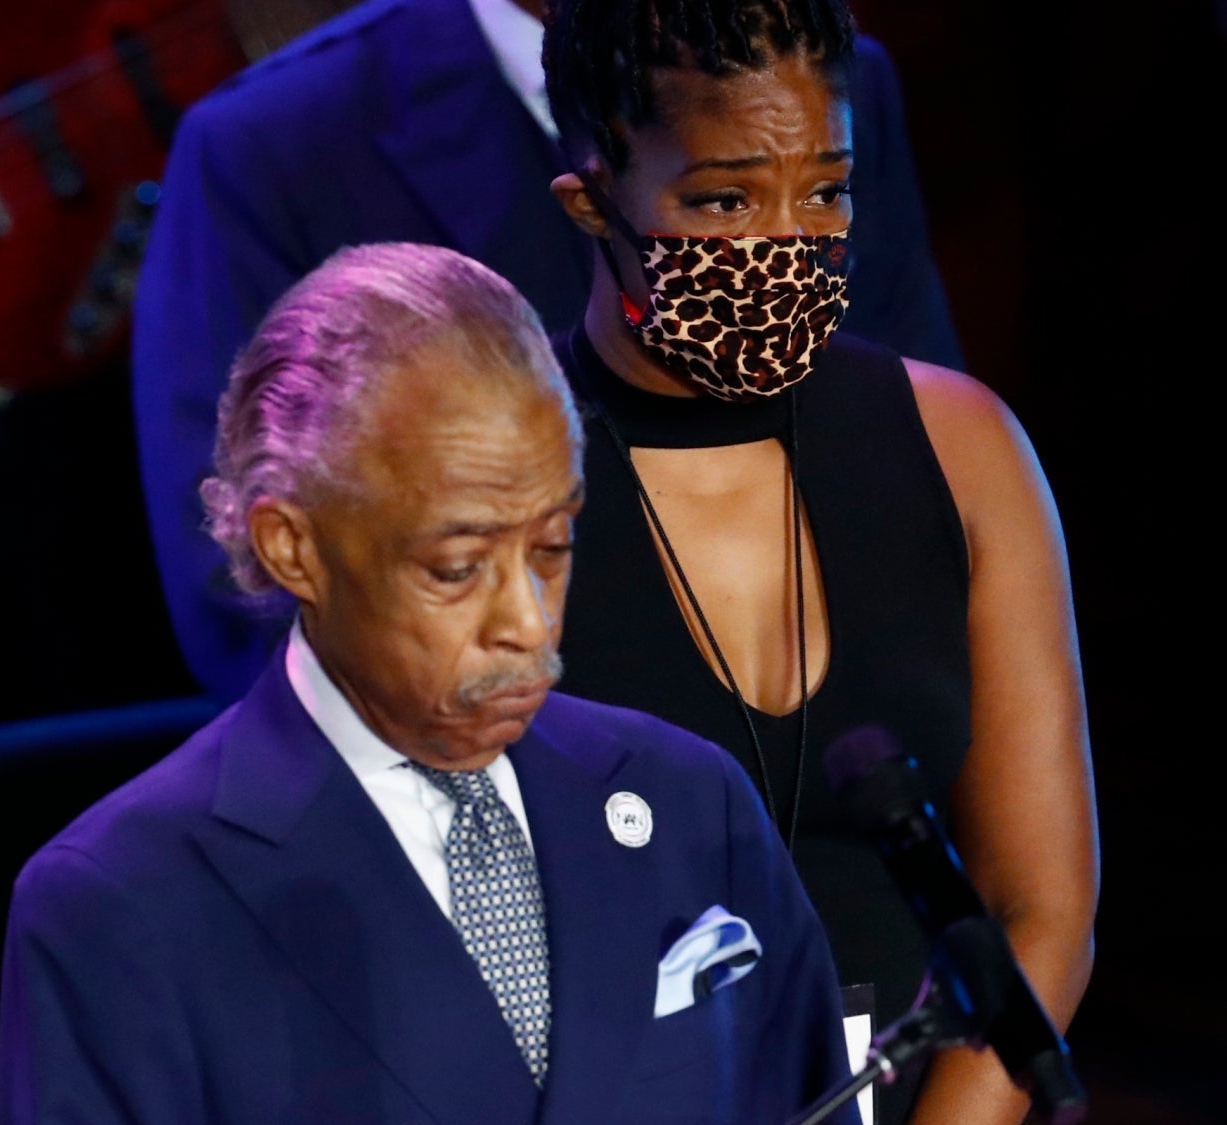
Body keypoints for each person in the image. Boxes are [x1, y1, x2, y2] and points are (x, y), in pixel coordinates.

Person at [0, 245, 910, 1125]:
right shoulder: (121, 898)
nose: (527, 623)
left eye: (553, 546)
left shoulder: (686, 809)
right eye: (457, 564)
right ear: (293, 543)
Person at [535, 0, 1094, 1125]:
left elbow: (1041, 907)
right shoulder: (512, 477)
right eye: (722, 203)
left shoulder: (958, 445)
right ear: (595, 199)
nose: (786, 238)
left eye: (825, 195)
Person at [130, 0, 961, 702]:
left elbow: (921, 465)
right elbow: (246, 585)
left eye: (821, 193)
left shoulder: (828, 83)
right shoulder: (270, 146)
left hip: (841, 745)